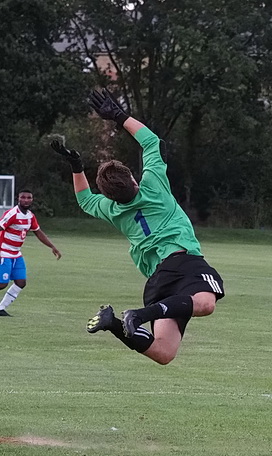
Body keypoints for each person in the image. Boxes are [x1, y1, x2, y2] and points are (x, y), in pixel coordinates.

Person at [50, 88, 224, 365]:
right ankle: (138, 315)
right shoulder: (154, 186)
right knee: (206, 303)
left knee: (163, 353)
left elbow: (84, 200)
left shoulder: (112, 210)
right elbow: (153, 142)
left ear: (108, 196)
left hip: (158, 279)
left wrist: (76, 165)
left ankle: (114, 323)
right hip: (182, 261)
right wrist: (119, 116)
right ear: (133, 179)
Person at [0, 190, 61, 316]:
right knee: (1, 284)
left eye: (29, 198)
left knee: (21, 282)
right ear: (18, 199)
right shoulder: (12, 214)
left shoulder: (30, 216)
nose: (26, 200)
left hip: (16, 254)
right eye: (23, 197)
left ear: (32, 200)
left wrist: (52, 246)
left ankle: (0, 309)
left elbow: (38, 232)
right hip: (4, 253)